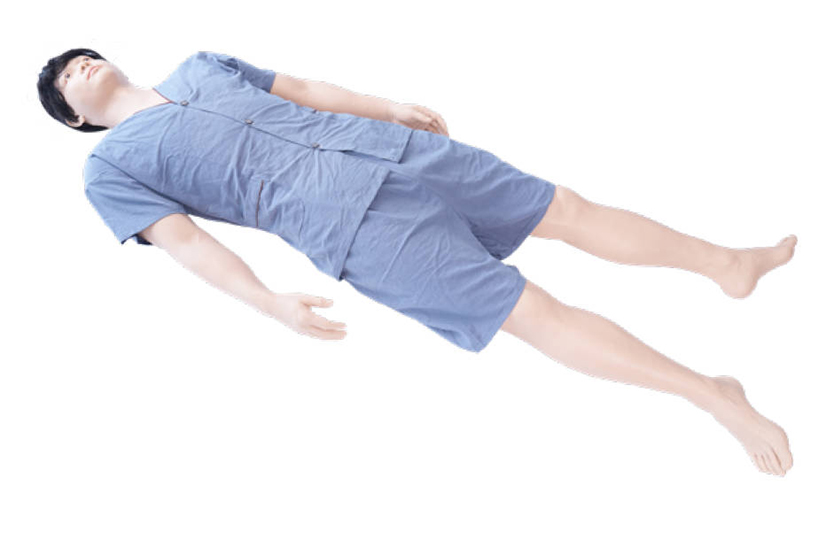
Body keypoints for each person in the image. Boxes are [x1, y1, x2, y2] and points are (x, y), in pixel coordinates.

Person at [37, 48, 798, 476]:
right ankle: (711, 395)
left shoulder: (201, 66)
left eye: (82, 56)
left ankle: (727, 263)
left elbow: (302, 89)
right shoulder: (109, 170)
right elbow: (187, 242)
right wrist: (271, 301)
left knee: (563, 207)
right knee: (529, 311)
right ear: (74, 117)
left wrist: (388, 106)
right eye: (66, 77)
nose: (80, 67)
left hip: (393, 149)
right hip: (351, 227)